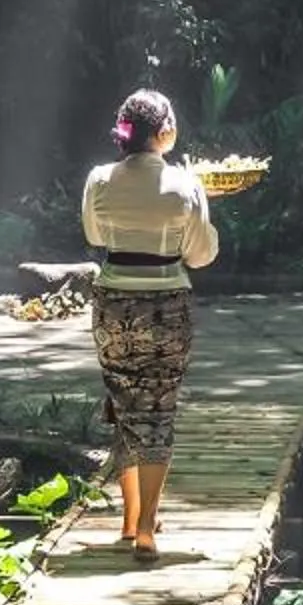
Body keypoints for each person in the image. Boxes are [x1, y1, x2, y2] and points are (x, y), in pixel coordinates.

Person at [80, 88, 219, 559]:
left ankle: (129, 519)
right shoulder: (186, 184)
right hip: (166, 304)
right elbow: (200, 255)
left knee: (123, 403)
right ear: (164, 133)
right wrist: (202, 206)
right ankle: (146, 530)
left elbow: (95, 234)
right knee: (158, 410)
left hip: (113, 303)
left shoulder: (99, 179)